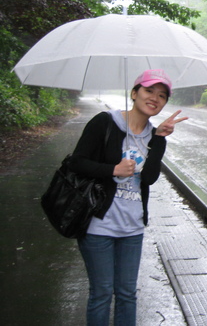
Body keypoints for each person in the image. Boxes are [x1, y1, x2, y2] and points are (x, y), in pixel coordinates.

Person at [69, 69, 188, 326]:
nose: (155, 98)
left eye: (162, 96)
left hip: (132, 227)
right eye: (148, 91)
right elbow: (75, 162)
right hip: (97, 225)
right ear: (134, 94)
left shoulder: (156, 135)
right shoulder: (104, 122)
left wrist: (157, 141)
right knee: (101, 294)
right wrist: (112, 170)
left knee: (127, 295)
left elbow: (148, 179)